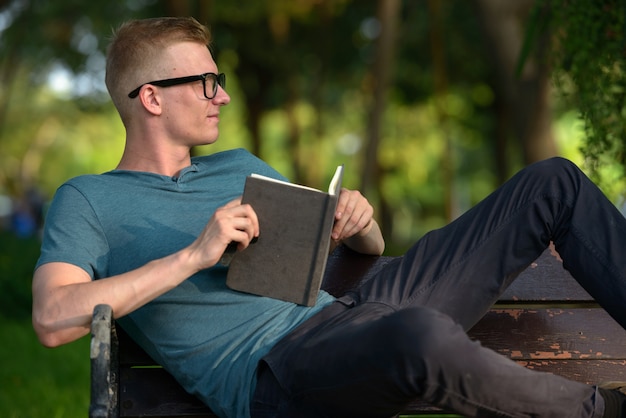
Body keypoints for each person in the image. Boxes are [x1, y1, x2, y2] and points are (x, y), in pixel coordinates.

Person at [31, 16, 626, 418]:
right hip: (279, 371)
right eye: (206, 82)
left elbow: (350, 250)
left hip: (353, 316)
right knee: (417, 335)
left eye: (221, 81)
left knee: (552, 182)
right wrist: (193, 256)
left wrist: (360, 222)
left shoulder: (239, 165)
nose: (223, 96)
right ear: (152, 98)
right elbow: (54, 319)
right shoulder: (89, 199)